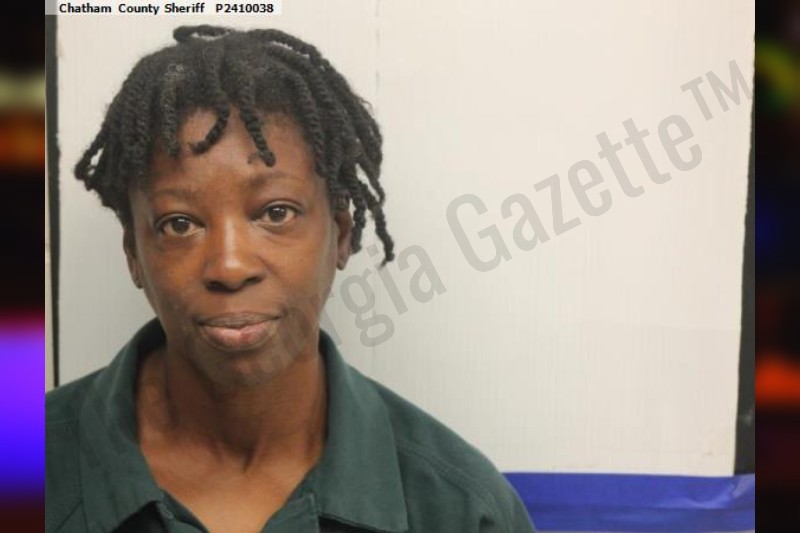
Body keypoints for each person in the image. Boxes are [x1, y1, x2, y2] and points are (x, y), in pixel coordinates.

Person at [45, 25, 537, 533]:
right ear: (133, 253)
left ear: (341, 234)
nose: (230, 266)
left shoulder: (460, 510)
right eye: (180, 224)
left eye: (275, 212)